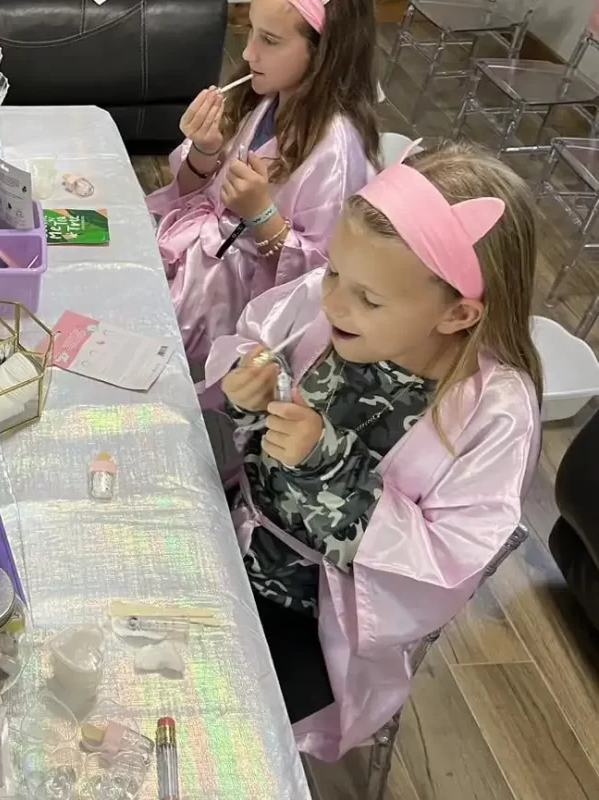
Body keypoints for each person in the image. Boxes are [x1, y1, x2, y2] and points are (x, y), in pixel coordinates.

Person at [203, 142, 542, 761]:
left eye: (367, 299)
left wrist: (324, 465)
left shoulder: (492, 413)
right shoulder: (333, 298)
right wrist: (245, 385)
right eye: (333, 271)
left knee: (204, 726)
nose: (331, 301)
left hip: (312, 617)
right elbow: (254, 335)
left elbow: (441, 566)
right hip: (230, 533)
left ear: (458, 313)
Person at [146, 0, 379, 380]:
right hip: (198, 266)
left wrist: (261, 215)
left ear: (324, 53)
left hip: (238, 312)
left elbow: (325, 281)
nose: (247, 52)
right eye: (250, 31)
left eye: (269, 40)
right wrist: (205, 151)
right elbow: (198, 195)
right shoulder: (264, 100)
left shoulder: (335, 151)